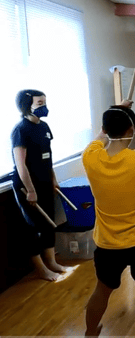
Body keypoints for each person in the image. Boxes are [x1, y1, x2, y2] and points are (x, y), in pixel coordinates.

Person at [82, 100, 135, 337]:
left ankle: (91, 332)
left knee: (101, 292)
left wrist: (116, 109)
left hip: (108, 244)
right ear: (131, 130)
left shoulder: (90, 157)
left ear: (105, 127)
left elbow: (101, 137)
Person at [10, 89, 67, 282]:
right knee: (34, 227)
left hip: (44, 181)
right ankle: (41, 269)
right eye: (39, 103)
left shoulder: (44, 127)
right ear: (27, 106)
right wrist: (31, 190)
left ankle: (51, 262)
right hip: (27, 187)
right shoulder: (21, 130)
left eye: (44, 102)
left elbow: (48, 157)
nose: (44, 107)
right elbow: (20, 164)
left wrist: (53, 179)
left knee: (49, 222)